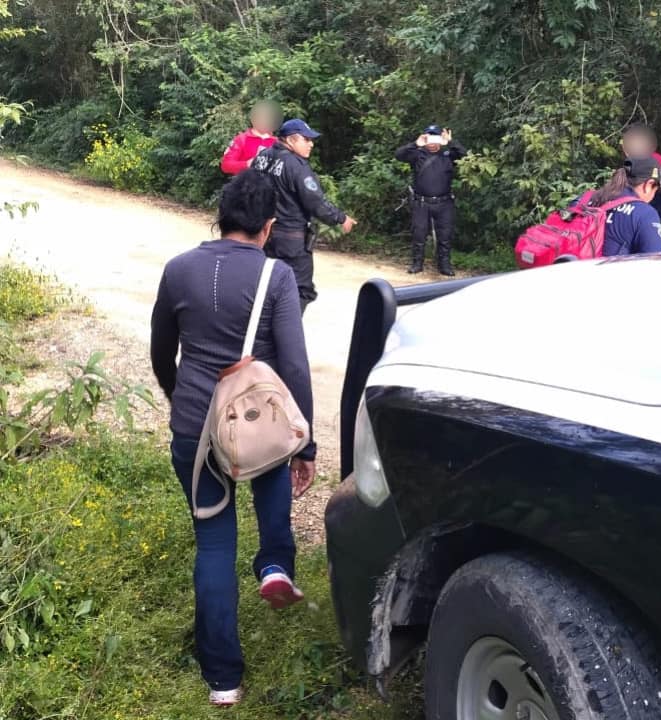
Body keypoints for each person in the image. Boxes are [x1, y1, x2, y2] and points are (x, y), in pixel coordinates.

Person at [150, 170, 316, 707]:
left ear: (219, 216)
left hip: (195, 429)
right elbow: (293, 363)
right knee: (272, 493)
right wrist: (306, 445)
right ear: (268, 226)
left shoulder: (177, 270)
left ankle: (223, 680)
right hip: (258, 425)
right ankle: (274, 565)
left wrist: (183, 403)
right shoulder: (278, 276)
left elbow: (161, 351)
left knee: (214, 544)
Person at [252, 118, 357, 313]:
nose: (311, 144)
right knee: (301, 289)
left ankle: (261, 325)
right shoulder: (296, 166)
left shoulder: (261, 158)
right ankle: (284, 332)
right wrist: (341, 218)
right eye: (306, 139)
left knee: (266, 283)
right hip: (290, 239)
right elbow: (315, 202)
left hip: (262, 234)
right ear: (291, 140)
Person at [395, 124, 466, 276]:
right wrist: (416, 144)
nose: (432, 142)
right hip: (421, 202)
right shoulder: (417, 154)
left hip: (444, 202)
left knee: (445, 235)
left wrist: (451, 142)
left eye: (436, 137)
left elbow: (465, 156)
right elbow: (398, 155)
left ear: (441, 138)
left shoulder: (448, 154)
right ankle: (417, 264)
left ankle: (444, 266)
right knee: (419, 234)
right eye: (430, 137)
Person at [589, 157, 661, 256]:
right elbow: (654, 262)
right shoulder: (645, 213)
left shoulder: (583, 199)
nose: (653, 197)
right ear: (648, 184)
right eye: (655, 191)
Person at [219, 100, 281, 175]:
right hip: (246, 184)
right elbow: (226, 165)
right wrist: (247, 164)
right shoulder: (241, 139)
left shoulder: (277, 142)